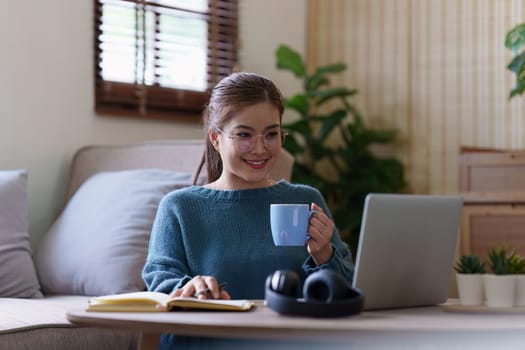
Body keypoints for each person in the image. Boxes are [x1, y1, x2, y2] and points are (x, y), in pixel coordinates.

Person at [142, 72, 354, 349]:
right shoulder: (179, 207)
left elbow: (349, 290)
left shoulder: (305, 199)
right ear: (216, 139)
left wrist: (324, 254)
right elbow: (159, 281)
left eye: (271, 134)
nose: (260, 148)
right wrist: (193, 288)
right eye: (244, 135)